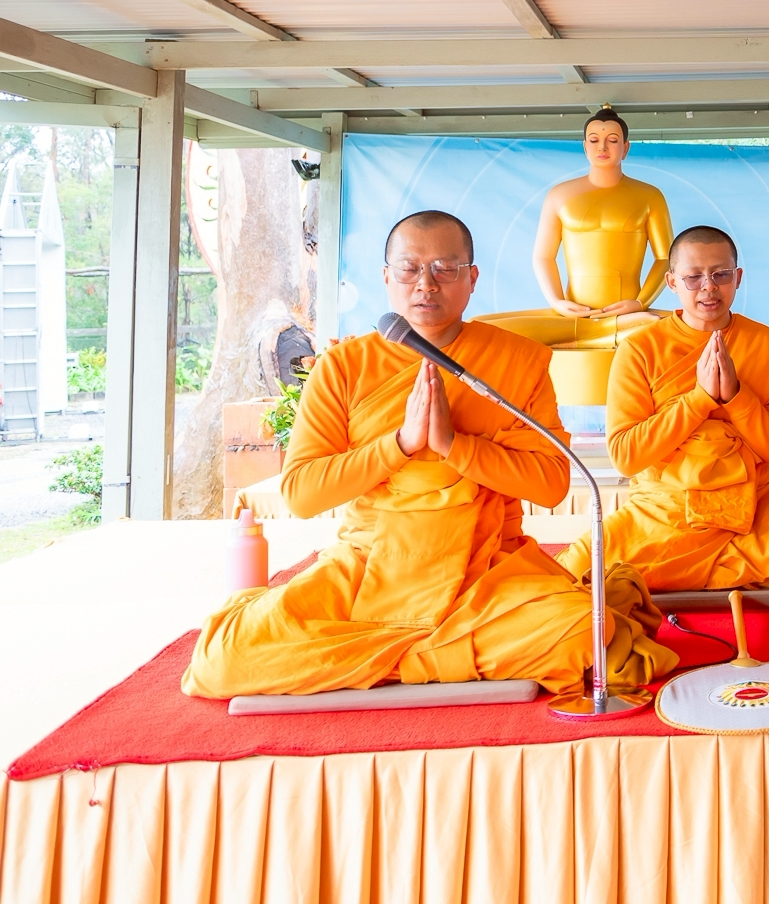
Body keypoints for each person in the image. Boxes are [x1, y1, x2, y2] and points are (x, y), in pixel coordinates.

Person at [184, 211, 676, 699]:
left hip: (485, 572)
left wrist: (454, 446)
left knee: (578, 633)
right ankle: (433, 653)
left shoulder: (516, 359)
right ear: (386, 277)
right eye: (409, 269)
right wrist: (398, 445)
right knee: (225, 659)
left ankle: (372, 658)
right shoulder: (343, 368)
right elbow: (303, 495)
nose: (426, 284)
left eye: (445, 268)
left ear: (471, 279)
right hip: (368, 566)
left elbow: (549, 484)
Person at [558, 226, 769, 590]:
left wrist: (737, 397)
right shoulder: (641, 350)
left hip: (753, 511)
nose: (708, 287)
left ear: (738, 278)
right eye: (693, 277)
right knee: (575, 570)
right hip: (663, 513)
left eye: (720, 275)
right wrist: (699, 399)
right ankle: (727, 575)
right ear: (672, 282)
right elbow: (626, 457)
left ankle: (677, 577)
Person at [479, 107, 673, 405]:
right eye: (594, 140)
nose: (603, 147)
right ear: (584, 146)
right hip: (571, 316)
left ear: (626, 147)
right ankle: (613, 331)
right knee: (483, 327)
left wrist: (640, 303)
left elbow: (666, 260)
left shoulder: (650, 196)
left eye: (612, 139)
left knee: (687, 327)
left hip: (632, 311)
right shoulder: (560, 195)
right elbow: (543, 256)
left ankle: (618, 327)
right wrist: (557, 302)